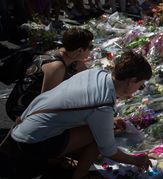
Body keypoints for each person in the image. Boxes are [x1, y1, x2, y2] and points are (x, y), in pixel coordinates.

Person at [10, 51, 153, 179]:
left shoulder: (96, 73)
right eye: (140, 85)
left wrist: (108, 120)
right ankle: (81, 174)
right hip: (32, 143)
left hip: (24, 126)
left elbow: (81, 106)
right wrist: (137, 160)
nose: (138, 90)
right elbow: (109, 151)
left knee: (102, 128)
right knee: (98, 137)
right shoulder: (102, 104)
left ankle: (57, 157)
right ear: (131, 80)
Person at [6, 28, 94, 121]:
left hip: (30, 104)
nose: (91, 50)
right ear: (79, 50)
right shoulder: (57, 66)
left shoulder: (65, 54)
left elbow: (88, 76)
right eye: (91, 47)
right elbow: (47, 102)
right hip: (22, 109)